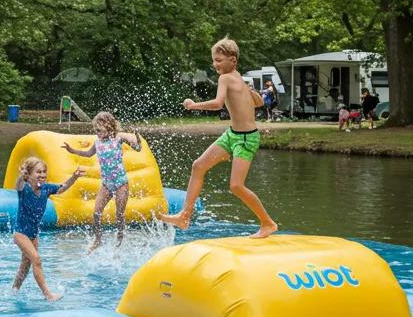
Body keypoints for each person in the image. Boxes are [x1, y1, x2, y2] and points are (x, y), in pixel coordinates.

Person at [158, 37, 277, 237]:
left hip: (246, 139)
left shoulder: (226, 78)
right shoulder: (237, 77)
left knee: (236, 186)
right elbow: (257, 103)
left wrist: (194, 105)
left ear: (233, 60)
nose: (215, 64)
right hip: (233, 135)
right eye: (214, 60)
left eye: (219, 60)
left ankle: (268, 223)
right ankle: (184, 216)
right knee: (198, 166)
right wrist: (251, 93)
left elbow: (218, 103)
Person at [61, 111, 141, 252]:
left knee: (119, 214)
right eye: (95, 130)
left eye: (99, 130)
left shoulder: (117, 137)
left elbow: (132, 141)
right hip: (106, 184)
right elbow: (87, 153)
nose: (97, 133)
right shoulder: (97, 143)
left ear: (108, 127)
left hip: (121, 183)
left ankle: (119, 240)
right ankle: (98, 240)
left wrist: (136, 140)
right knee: (96, 213)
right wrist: (71, 150)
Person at [12, 157, 83, 302]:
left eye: (44, 172)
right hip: (20, 234)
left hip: (33, 235)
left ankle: (14, 290)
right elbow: (18, 183)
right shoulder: (24, 188)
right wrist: (22, 174)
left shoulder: (46, 188)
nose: (42, 175)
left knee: (25, 267)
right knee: (37, 260)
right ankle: (48, 295)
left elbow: (62, 187)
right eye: (38, 172)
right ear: (29, 174)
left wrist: (74, 177)